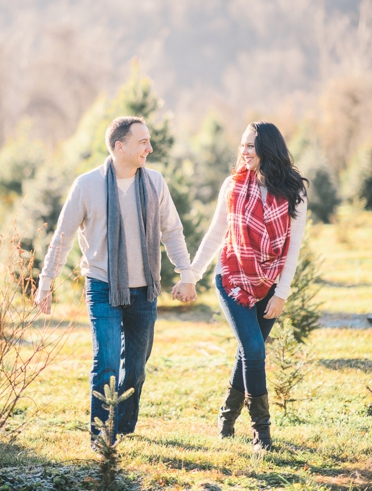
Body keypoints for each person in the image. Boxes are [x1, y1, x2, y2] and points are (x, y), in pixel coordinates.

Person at [35, 116, 192, 445]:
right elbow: (62, 238)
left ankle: (121, 428)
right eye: (142, 142)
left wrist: (186, 273)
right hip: (103, 286)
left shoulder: (154, 183)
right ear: (119, 147)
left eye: (149, 141)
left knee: (134, 370)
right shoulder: (87, 185)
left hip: (144, 291)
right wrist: (45, 282)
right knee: (105, 363)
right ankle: (101, 437)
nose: (149, 147)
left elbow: (172, 231)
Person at [171, 122, 307, 451]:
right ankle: (262, 434)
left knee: (248, 351)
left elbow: (294, 247)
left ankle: (226, 420)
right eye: (242, 145)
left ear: (267, 150)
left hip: (270, 284)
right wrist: (192, 273)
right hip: (231, 278)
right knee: (255, 349)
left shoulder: (294, 191)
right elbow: (216, 234)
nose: (243, 152)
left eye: (250, 146)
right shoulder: (232, 185)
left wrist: (282, 294)